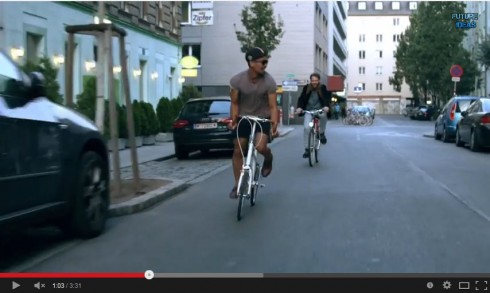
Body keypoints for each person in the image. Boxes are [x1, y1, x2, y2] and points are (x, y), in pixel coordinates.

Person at [227, 47, 278, 199]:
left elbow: (273, 107)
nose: (265, 64)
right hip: (244, 117)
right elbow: (235, 103)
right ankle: (237, 185)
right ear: (251, 63)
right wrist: (234, 120)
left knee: (261, 147)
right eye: (262, 62)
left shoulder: (269, 82)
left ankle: (268, 158)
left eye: (266, 62)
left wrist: (274, 125)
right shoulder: (237, 80)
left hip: (263, 118)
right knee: (238, 149)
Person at [295, 73, 332, 158]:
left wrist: (326, 106)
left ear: (319, 80)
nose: (314, 82)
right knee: (306, 128)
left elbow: (326, 98)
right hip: (308, 111)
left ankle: (322, 133)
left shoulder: (322, 88)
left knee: (323, 116)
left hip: (320, 110)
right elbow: (301, 98)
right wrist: (299, 107)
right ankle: (307, 149)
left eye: (316, 80)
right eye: (313, 80)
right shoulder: (306, 88)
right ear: (310, 81)